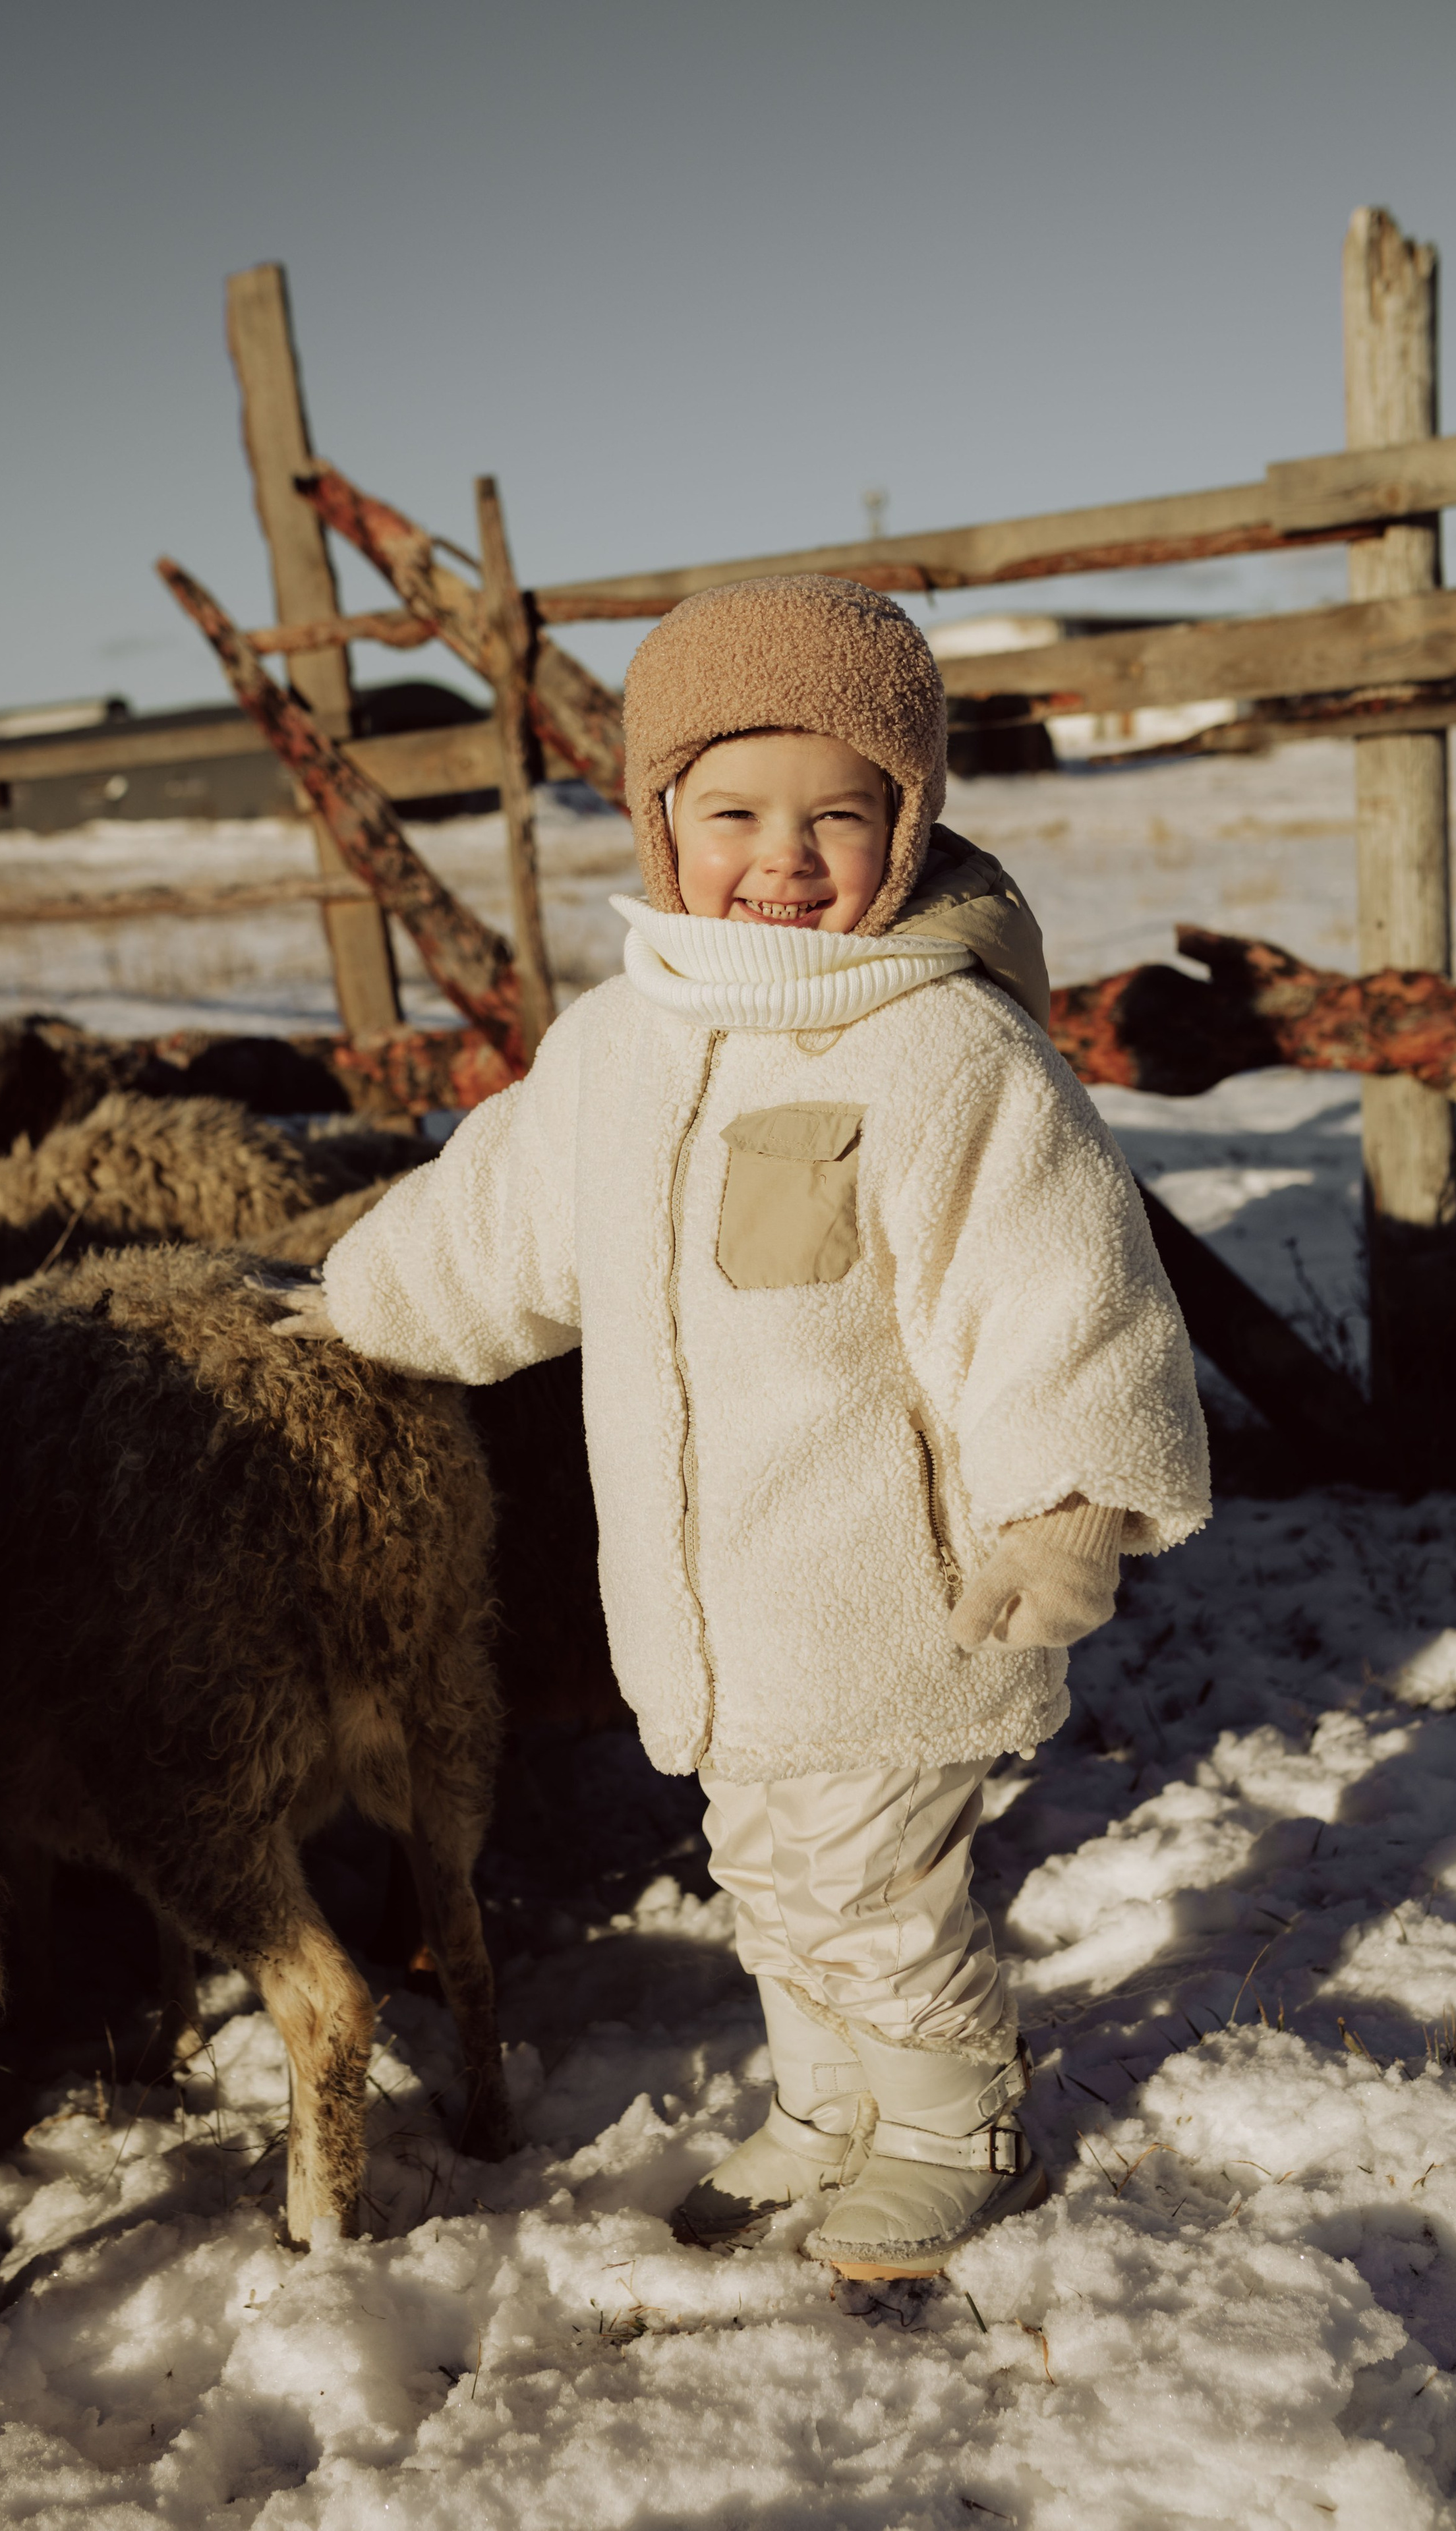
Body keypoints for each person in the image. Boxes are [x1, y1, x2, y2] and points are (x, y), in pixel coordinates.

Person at [295, 575, 1209, 2282]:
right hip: (714, 1617)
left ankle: (951, 2131)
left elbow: (1052, 1276)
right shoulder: (625, 1042)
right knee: (772, 1881)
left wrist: (1068, 1497)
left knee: (875, 1896)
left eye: (837, 817)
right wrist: (351, 1309)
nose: (782, 859)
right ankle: (821, 2112)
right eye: (732, 814)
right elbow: (496, 1218)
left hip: (898, 1599)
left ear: (908, 822)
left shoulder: (944, 1055)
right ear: (658, 822)